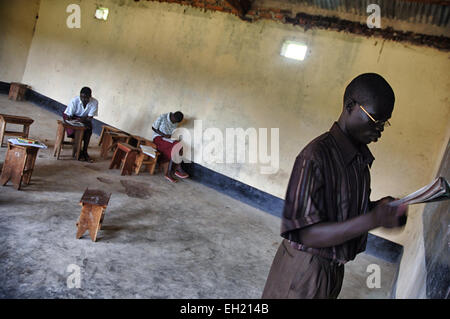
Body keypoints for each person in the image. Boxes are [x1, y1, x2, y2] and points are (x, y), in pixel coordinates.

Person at [261, 73, 408, 299]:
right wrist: (373, 219)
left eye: (384, 122)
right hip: (304, 270)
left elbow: (344, 210)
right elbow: (304, 233)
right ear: (350, 106)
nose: (380, 129)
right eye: (375, 119)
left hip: (333, 268)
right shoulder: (315, 156)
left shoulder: (358, 159)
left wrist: (380, 208)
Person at [152, 111, 189, 183]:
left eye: (176, 122)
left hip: (166, 139)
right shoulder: (162, 117)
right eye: (174, 121)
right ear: (172, 117)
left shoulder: (175, 122)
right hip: (158, 138)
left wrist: (170, 137)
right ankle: (170, 172)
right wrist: (163, 134)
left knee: (179, 146)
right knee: (176, 146)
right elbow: (153, 128)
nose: (174, 123)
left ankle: (176, 168)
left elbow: (170, 133)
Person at [63, 87, 98, 163]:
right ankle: (78, 151)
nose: (83, 99)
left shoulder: (94, 102)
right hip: (72, 117)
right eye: (81, 97)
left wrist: (82, 120)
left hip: (84, 119)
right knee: (77, 131)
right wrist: (77, 121)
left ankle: (84, 151)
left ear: (90, 96)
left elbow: (90, 117)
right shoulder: (74, 101)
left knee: (88, 129)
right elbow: (69, 116)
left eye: (86, 97)